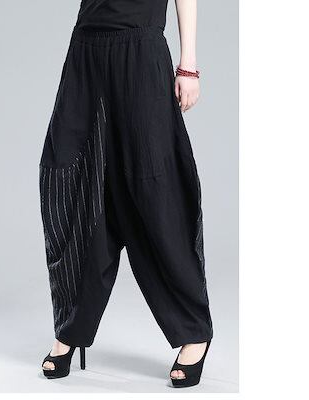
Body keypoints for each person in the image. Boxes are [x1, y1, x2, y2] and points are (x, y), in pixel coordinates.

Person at [39, 0, 213, 388]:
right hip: (87, 50)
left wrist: (188, 65)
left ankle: (193, 330)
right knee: (76, 182)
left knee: (155, 191)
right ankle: (71, 325)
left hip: (141, 49)